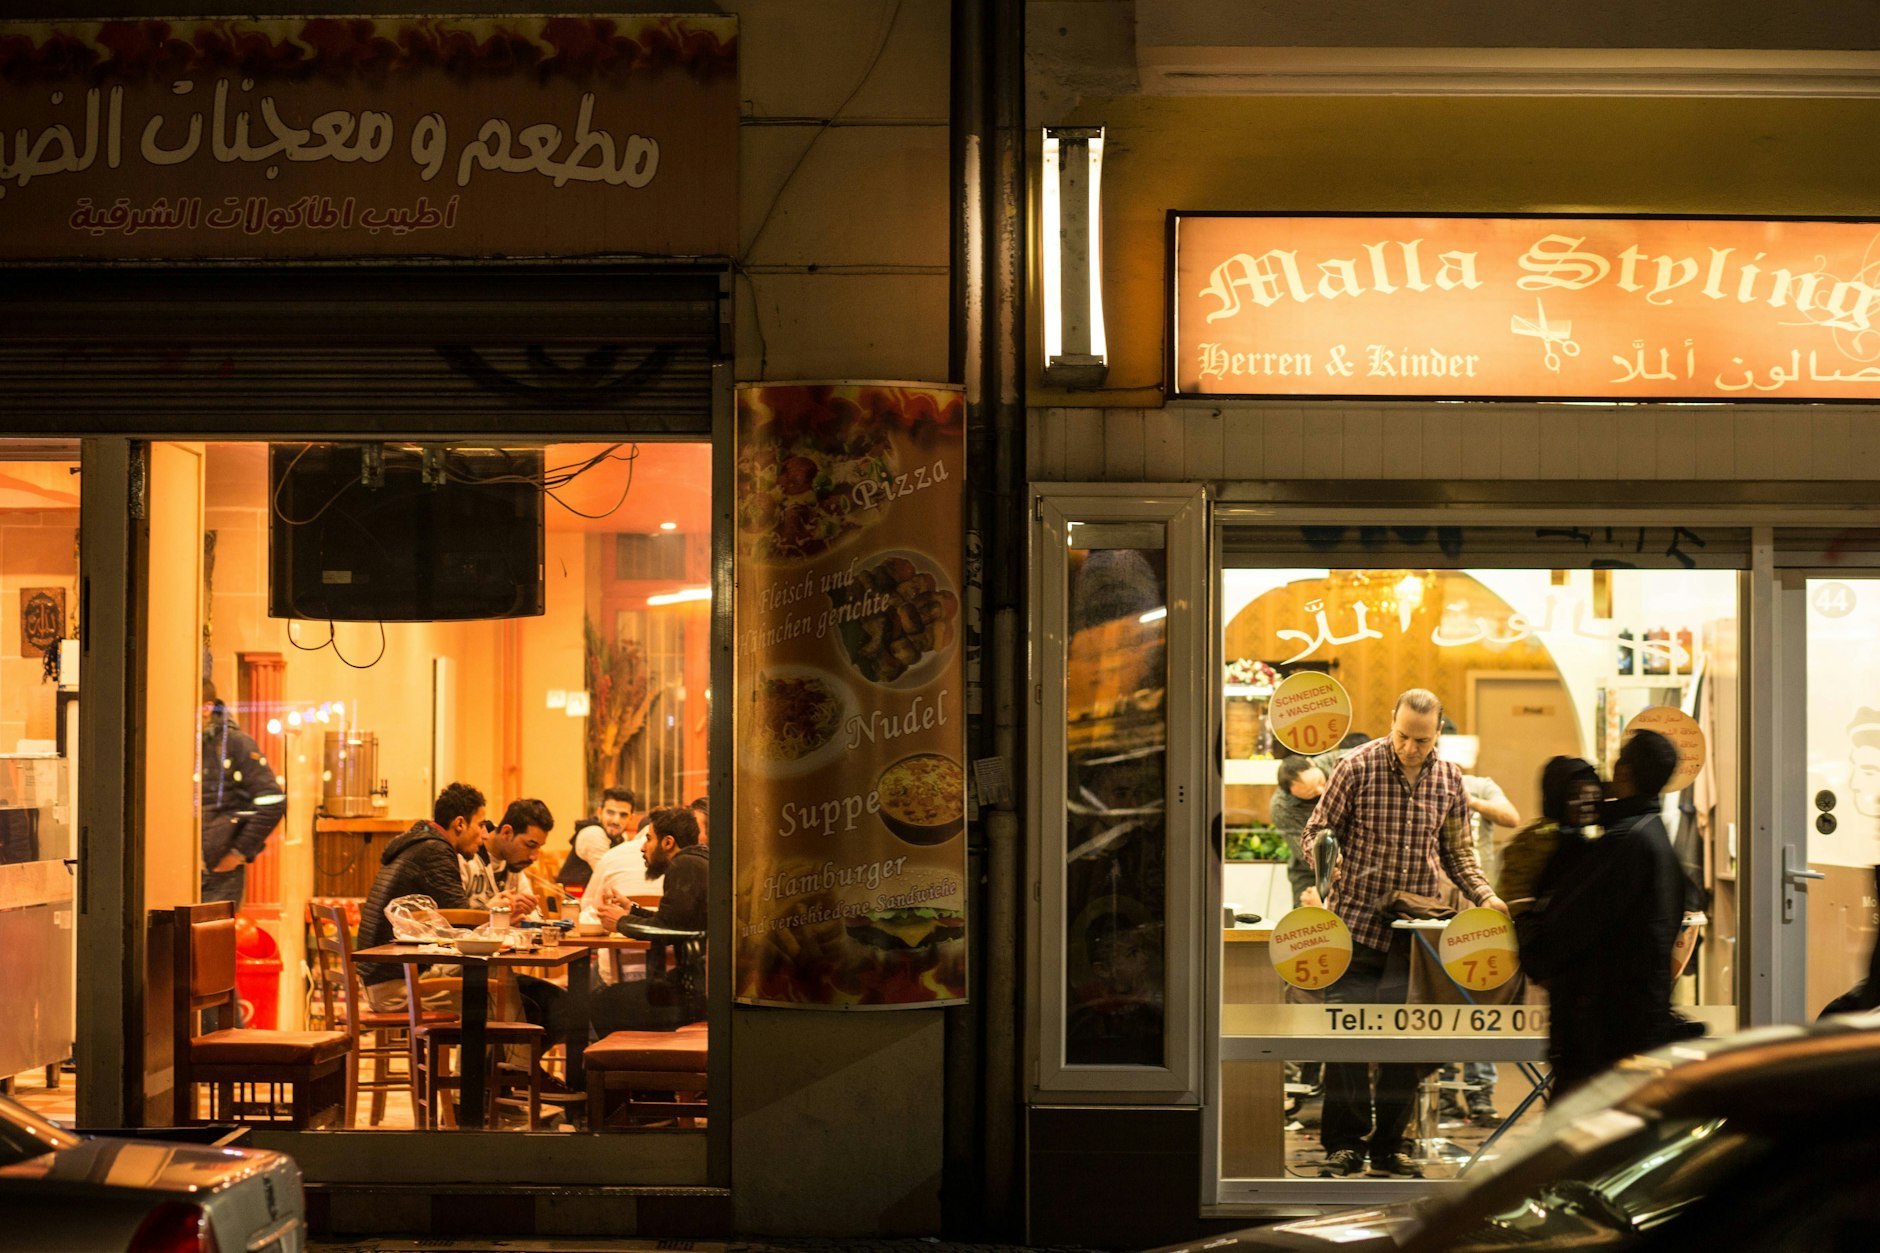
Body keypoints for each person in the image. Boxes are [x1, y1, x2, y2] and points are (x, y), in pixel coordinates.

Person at [1301, 689, 1507, 1178]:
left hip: (1414, 933)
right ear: (1391, 723)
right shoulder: (1356, 766)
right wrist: (1327, 862)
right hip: (1354, 924)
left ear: (1438, 734)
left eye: (1421, 740)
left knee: (1405, 1045)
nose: (1410, 748)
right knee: (1347, 1039)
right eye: (1402, 736)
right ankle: (1344, 1145)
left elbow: (1458, 853)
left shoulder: (1449, 779)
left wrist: (1486, 897)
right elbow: (1316, 832)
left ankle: (1392, 1146)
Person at [1517, 730, 1685, 1097]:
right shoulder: (1655, 836)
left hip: (1605, 1029)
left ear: (1624, 770)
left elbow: (1569, 927)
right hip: (1638, 1019)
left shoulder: (1624, 842)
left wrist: (1528, 935)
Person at [355, 782, 486, 1012]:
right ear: (460, 823)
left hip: (383, 978)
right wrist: (498, 915)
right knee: (491, 985)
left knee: (491, 983)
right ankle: (507, 1033)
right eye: (481, 824)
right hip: (395, 985)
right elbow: (464, 923)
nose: (484, 835)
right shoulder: (435, 850)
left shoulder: (421, 843)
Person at [591, 807, 708, 1031]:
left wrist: (620, 923)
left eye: (649, 839)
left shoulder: (684, 865)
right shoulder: (697, 860)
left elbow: (667, 931)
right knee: (611, 998)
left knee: (601, 1001)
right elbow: (674, 922)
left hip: (693, 993)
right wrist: (632, 910)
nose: (643, 847)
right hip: (699, 985)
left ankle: (632, 1055)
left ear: (668, 842)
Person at [198, 680, 286, 908]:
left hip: (218, 874)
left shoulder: (235, 743)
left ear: (207, 708)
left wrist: (237, 853)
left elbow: (273, 802)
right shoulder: (182, 744)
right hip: (183, 869)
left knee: (212, 931)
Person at [462, 798, 552, 914]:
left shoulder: (514, 862)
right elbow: (455, 917)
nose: (534, 857)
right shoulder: (466, 855)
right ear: (506, 833)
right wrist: (493, 912)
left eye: (539, 847)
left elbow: (533, 915)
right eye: (530, 845)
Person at [1270, 754, 1329, 908]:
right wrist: (1326, 878)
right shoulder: (1281, 807)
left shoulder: (1337, 763)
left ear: (1311, 763)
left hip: (1355, 859)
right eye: (1311, 794)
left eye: (1320, 781)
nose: (1321, 791)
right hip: (1311, 869)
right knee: (1307, 915)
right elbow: (1305, 852)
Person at [558, 786, 638, 891]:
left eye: (623, 815)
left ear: (631, 818)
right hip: (572, 898)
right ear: (599, 812)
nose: (616, 821)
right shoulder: (593, 833)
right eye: (610, 813)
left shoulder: (621, 837)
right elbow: (609, 878)